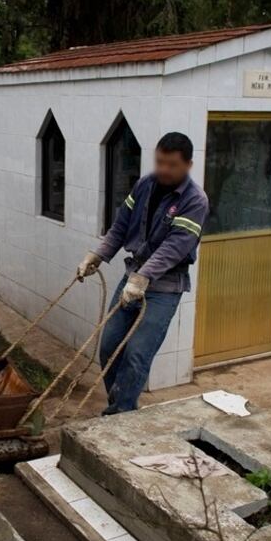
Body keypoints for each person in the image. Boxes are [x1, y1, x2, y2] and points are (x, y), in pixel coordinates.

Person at [76, 132, 208, 415]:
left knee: (137, 354)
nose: (163, 169)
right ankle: (121, 405)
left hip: (164, 288)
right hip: (133, 278)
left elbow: (175, 246)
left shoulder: (195, 200)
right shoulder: (145, 185)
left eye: (171, 164)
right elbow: (121, 225)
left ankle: (119, 414)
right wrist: (97, 255)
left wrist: (143, 277)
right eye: (160, 162)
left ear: (188, 165)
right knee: (109, 347)